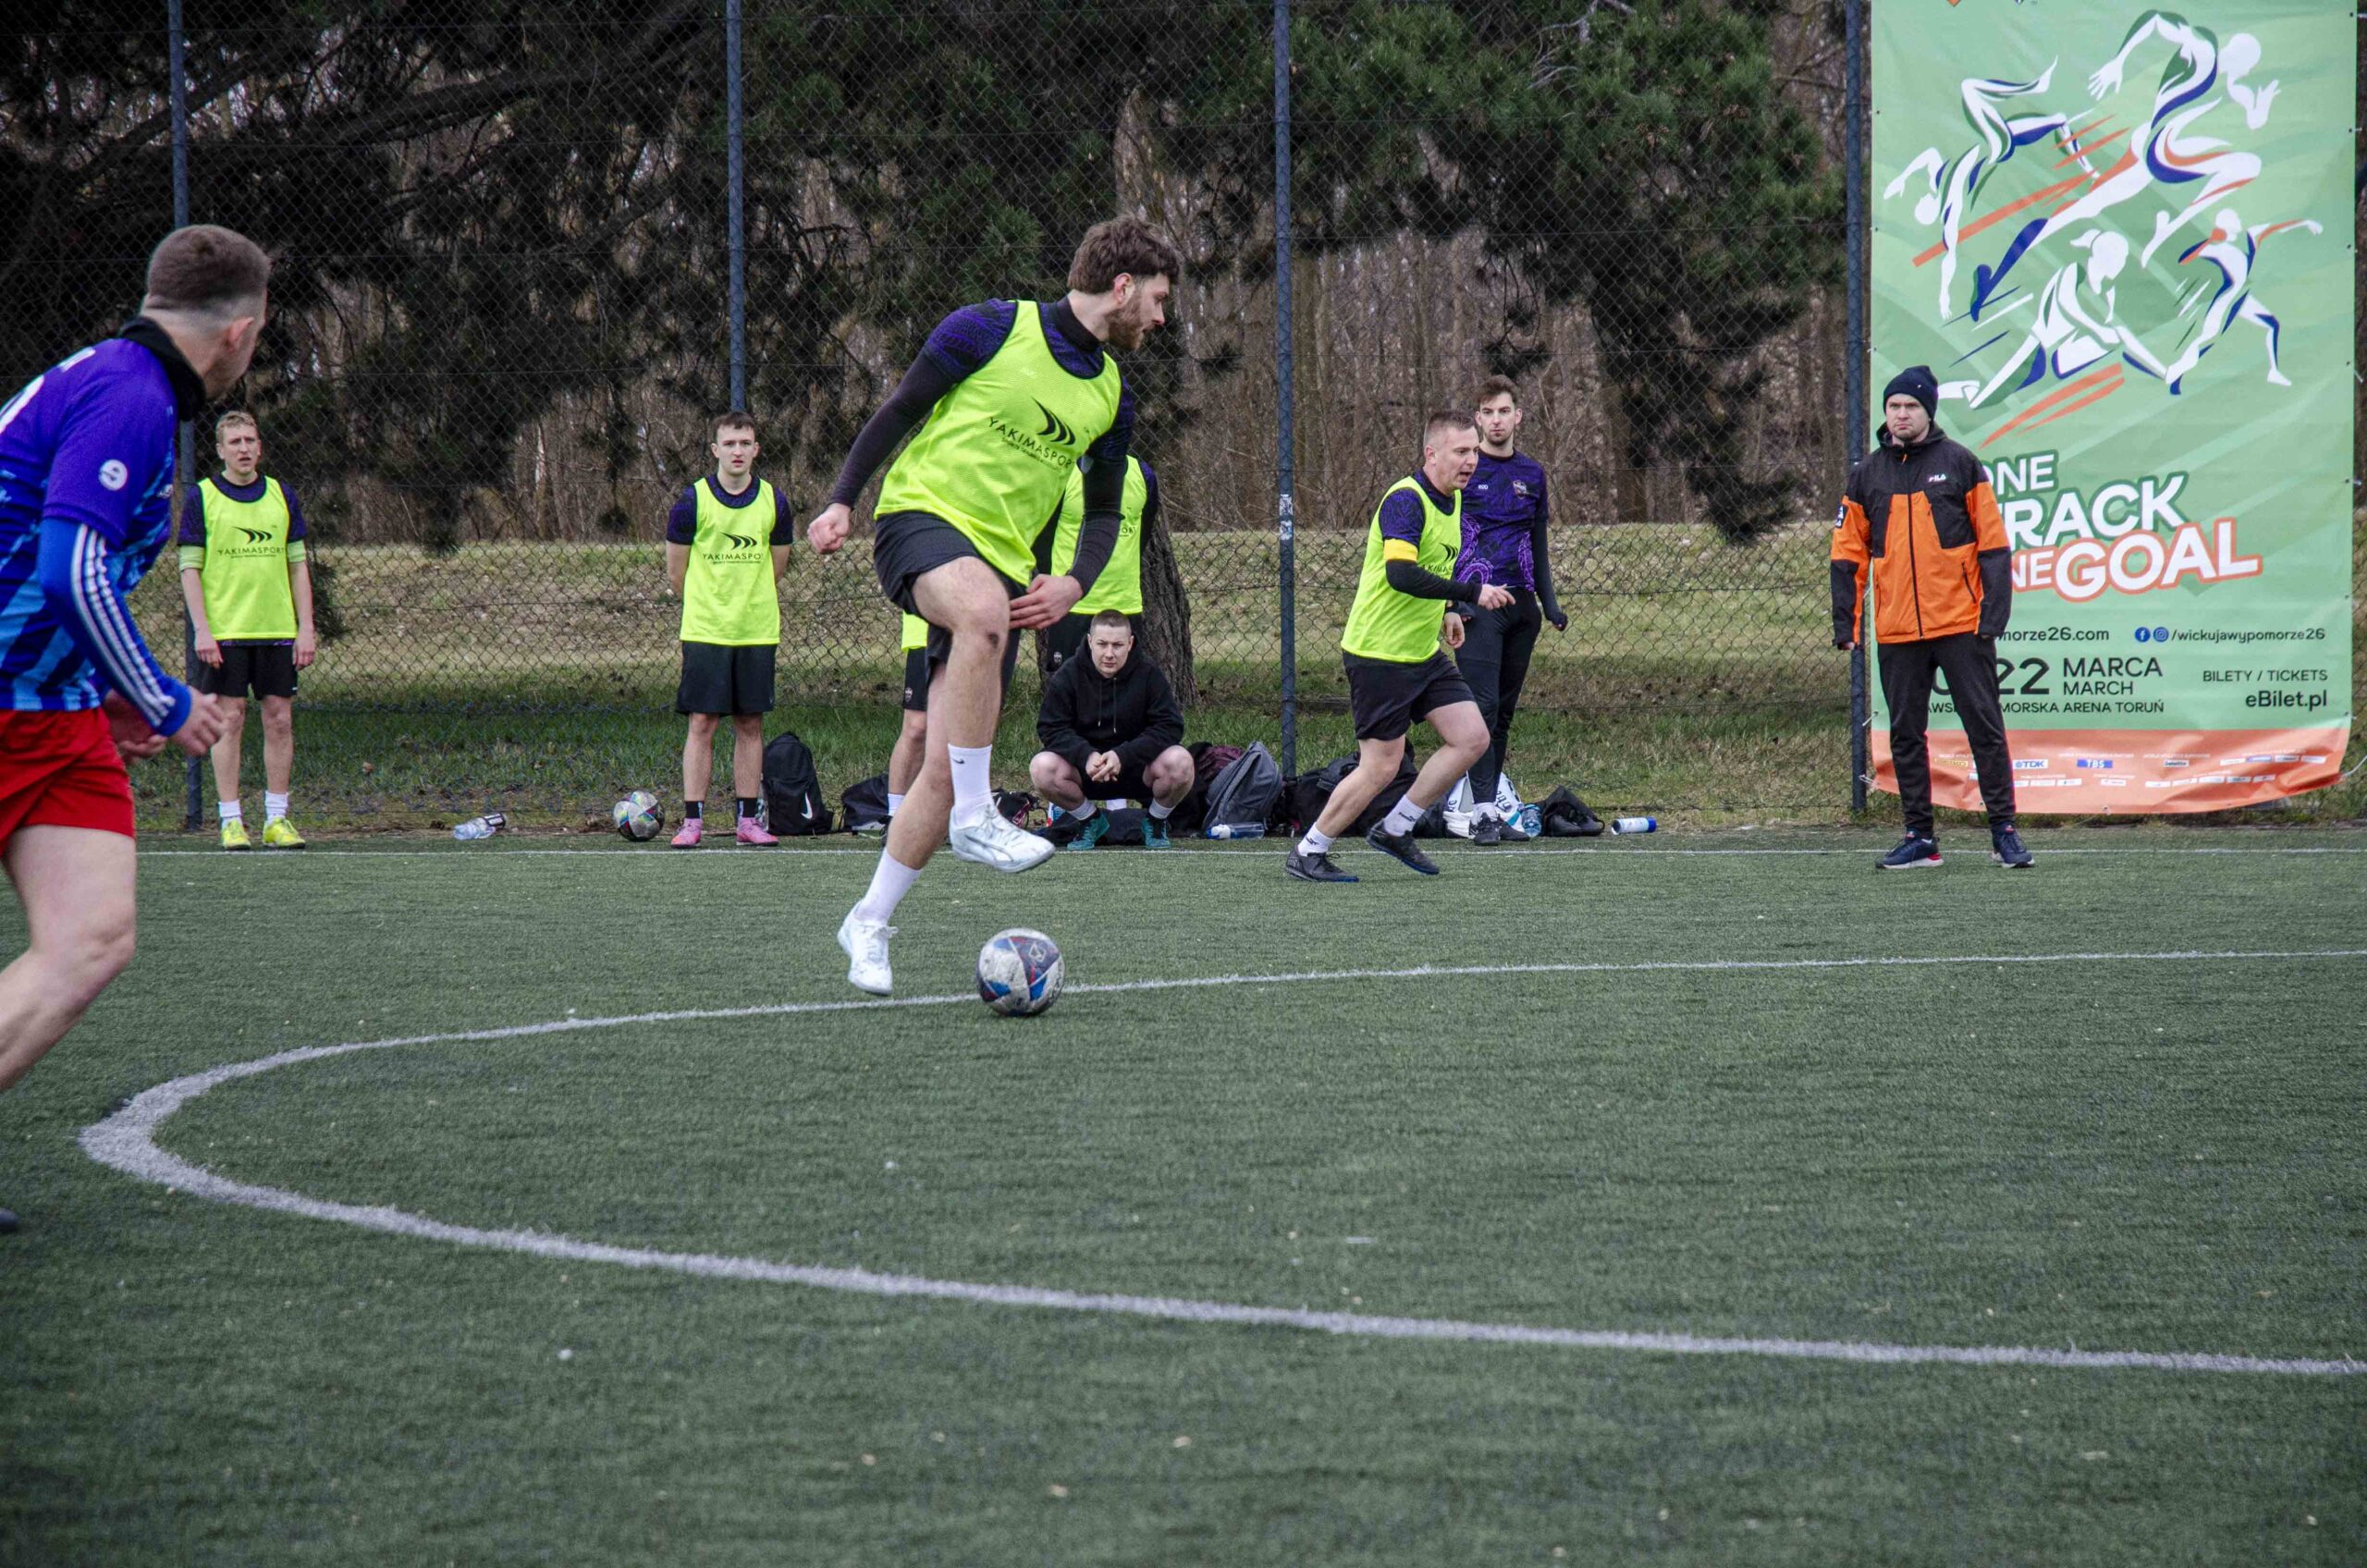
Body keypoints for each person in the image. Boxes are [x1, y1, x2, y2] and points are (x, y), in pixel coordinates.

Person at [808, 216, 1180, 993]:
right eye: (1157, 299)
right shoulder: (989, 327)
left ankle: (868, 922)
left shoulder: (1112, 396)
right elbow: (900, 410)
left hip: (1003, 575)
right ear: (1122, 286)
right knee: (980, 616)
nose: (1160, 317)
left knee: (942, 773)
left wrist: (1073, 582)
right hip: (920, 519)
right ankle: (979, 818)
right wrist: (842, 498)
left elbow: (1102, 511)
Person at [0, 225, 264, 1231]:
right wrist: (161, 697)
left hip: (51, 707)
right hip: (8, 701)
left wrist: (105, 689)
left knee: (92, 939)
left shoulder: (127, 384)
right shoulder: (130, 395)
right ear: (239, 333)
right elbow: (70, 569)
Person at [1285, 412, 1512, 884]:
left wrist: (1449, 607)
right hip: (1380, 655)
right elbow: (1401, 573)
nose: (1471, 460)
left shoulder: (1452, 500)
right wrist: (1471, 593)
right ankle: (1309, 850)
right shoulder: (1406, 501)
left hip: (1420, 654)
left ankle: (1397, 827)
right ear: (1431, 454)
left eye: (1474, 451)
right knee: (1380, 768)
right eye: (1461, 452)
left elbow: (1431, 567)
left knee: (1472, 737)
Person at [1832, 365, 2031, 870]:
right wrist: (1845, 624)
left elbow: (1993, 545)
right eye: (1894, 406)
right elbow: (1847, 554)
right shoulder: (1866, 475)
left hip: (1962, 625)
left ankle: (2004, 832)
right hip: (1898, 628)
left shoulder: (1961, 463)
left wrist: (1992, 615)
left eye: (1911, 407)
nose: (1901, 415)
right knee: (1905, 733)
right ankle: (1920, 837)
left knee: (1984, 726)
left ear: (1928, 412)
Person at [178, 410, 316, 850]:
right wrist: (202, 630)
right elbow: (189, 568)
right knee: (230, 719)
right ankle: (231, 821)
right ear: (220, 450)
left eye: (250, 441)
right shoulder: (202, 497)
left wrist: (306, 628)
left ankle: (277, 819)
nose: (243, 448)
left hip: (276, 628)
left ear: (260, 447)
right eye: (234, 442)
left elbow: (298, 565)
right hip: (225, 632)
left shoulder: (281, 495)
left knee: (279, 719)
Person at [666, 410, 793, 848]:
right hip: (706, 631)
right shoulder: (691, 501)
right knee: (702, 722)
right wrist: (712, 606)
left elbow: (777, 566)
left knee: (750, 723)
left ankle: (747, 820)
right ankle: (692, 822)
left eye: (745, 443)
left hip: (756, 630)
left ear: (756, 450)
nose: (737, 451)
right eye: (729, 443)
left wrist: (746, 602)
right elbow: (677, 573)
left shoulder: (775, 501)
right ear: (715, 449)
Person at [1451, 376, 1565, 845]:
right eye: (1487, 412)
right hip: (1477, 605)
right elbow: (1444, 539)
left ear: (1518, 416)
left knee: (1501, 714)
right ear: (1477, 419)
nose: (1496, 420)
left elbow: (1538, 543)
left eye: (1503, 411)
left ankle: (1492, 811)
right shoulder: (1463, 470)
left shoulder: (1532, 474)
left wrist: (1549, 604)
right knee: (1480, 709)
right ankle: (1480, 815)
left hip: (1522, 609)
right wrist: (1454, 602)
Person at [1029, 611, 1192, 850]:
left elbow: (1170, 726)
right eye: (1102, 644)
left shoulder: (1149, 673)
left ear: (1130, 643)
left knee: (1181, 762)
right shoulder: (1069, 674)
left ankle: (1155, 821)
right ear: (1089, 641)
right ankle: (1090, 820)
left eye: (1117, 645)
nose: (1109, 653)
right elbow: (1050, 727)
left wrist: (1123, 756)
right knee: (1042, 767)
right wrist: (1085, 755)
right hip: (1087, 770)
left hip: (1137, 768)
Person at [1041, 453, 1156, 670]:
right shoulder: (1062, 472)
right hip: (1072, 607)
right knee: (1071, 686)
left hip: (1124, 605)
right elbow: (1043, 538)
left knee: (1124, 687)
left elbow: (1144, 534)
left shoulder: (1143, 475)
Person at [883, 611, 932, 822]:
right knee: (917, 727)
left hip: (974, 633)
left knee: (966, 729)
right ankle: (895, 816)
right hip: (927, 631)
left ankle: (961, 815)